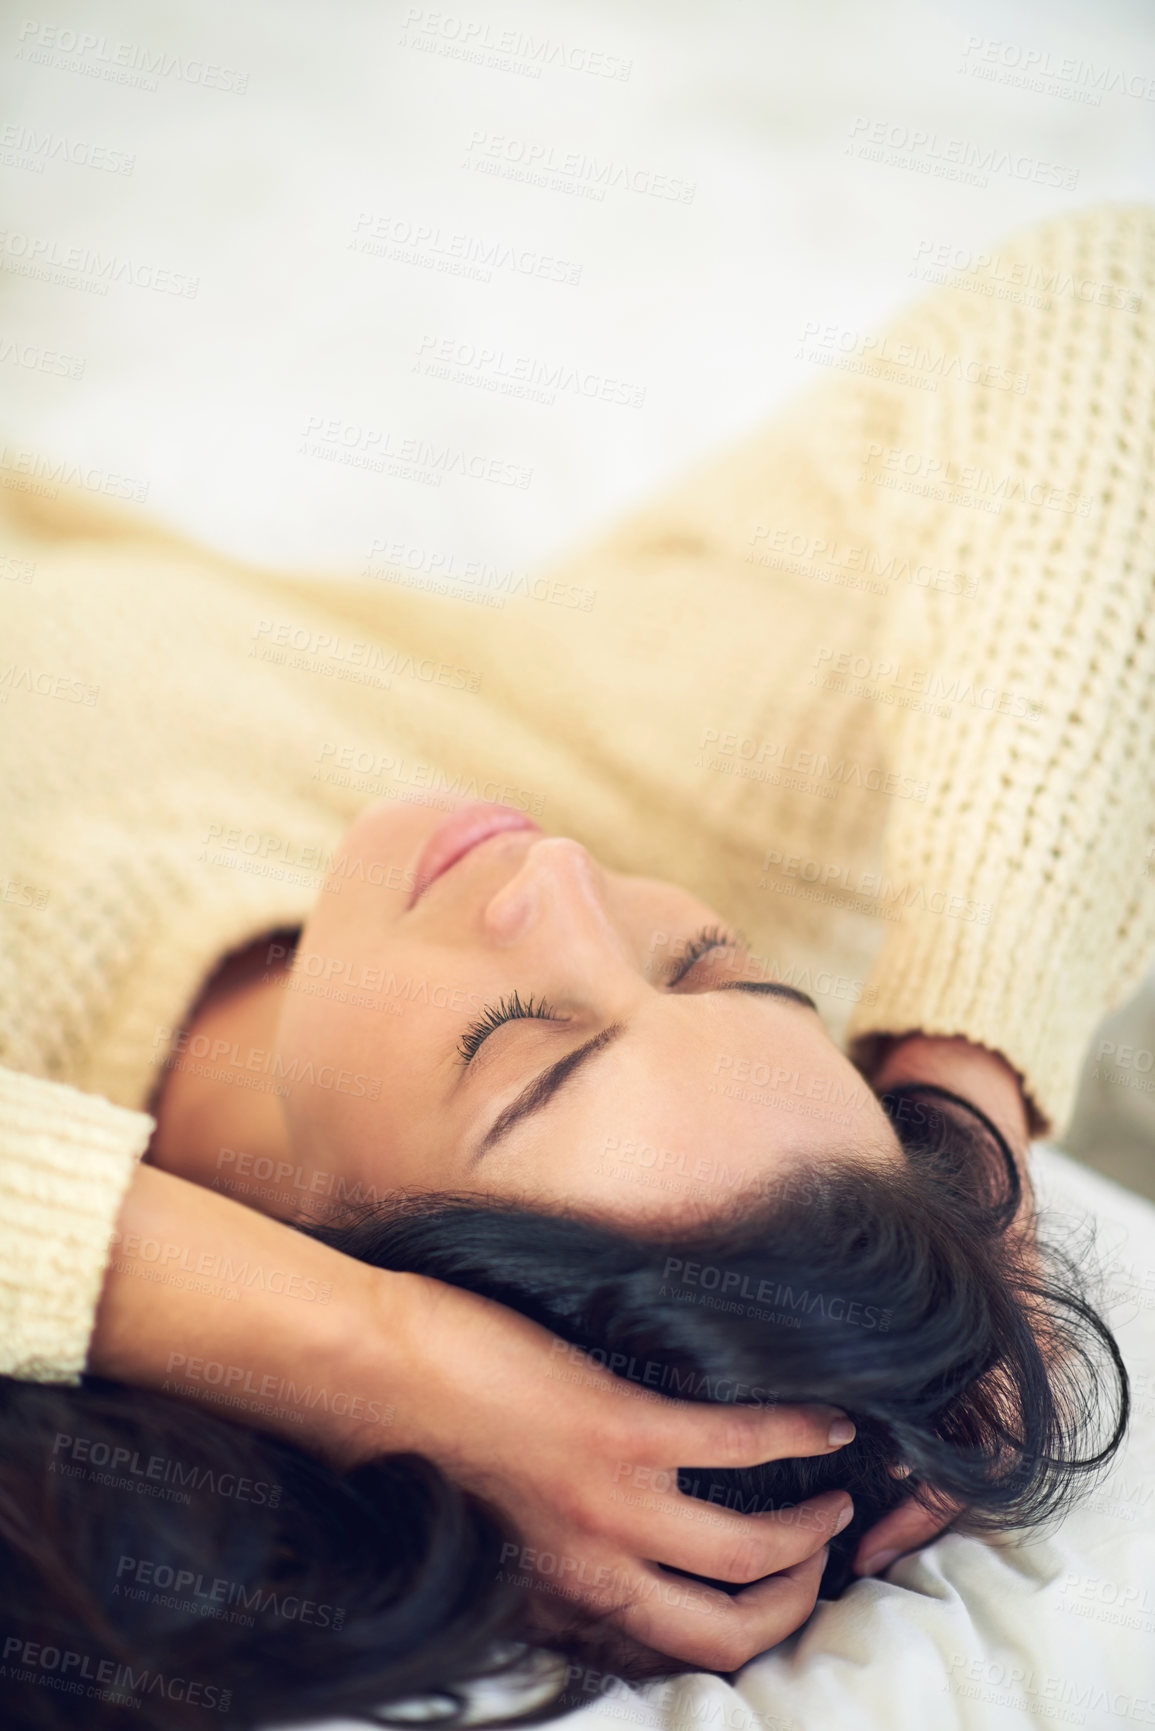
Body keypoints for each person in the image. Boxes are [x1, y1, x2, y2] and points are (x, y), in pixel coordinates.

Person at [0, 201, 1150, 1726]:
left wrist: (370, 1359)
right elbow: (1111, 300)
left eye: (522, 1044)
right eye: (714, 966)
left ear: (332, 1241)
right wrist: (970, 1081)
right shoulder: (610, 797)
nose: (553, 879)